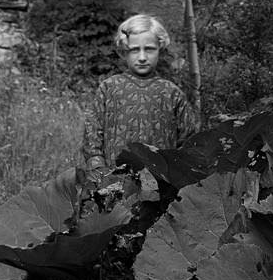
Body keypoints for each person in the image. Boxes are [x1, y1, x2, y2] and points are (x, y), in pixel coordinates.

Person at [80, 14, 200, 176]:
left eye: (149, 49)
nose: (142, 57)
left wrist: (178, 173)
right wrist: (98, 168)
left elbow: (188, 140)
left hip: (161, 183)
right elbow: (92, 131)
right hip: (114, 180)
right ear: (124, 51)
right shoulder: (109, 88)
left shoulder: (172, 93)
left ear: (160, 49)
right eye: (135, 50)